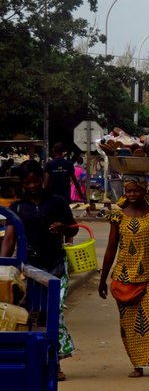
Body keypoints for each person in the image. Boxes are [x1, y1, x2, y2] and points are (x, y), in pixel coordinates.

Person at [0, 160, 79, 381]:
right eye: (28, 183)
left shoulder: (57, 202)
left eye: (36, 181)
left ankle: (56, 364)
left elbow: (73, 228)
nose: (33, 186)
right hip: (29, 271)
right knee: (33, 318)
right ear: (23, 184)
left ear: (43, 179)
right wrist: (4, 267)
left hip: (55, 268)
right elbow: (9, 239)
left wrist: (64, 229)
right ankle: (36, 363)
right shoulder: (17, 208)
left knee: (55, 316)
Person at [98, 174, 149, 378]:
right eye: (128, 191)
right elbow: (111, 248)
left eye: (136, 191)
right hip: (124, 277)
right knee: (130, 324)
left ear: (144, 191)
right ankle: (139, 364)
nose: (131, 195)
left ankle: (148, 353)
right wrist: (103, 280)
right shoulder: (118, 217)